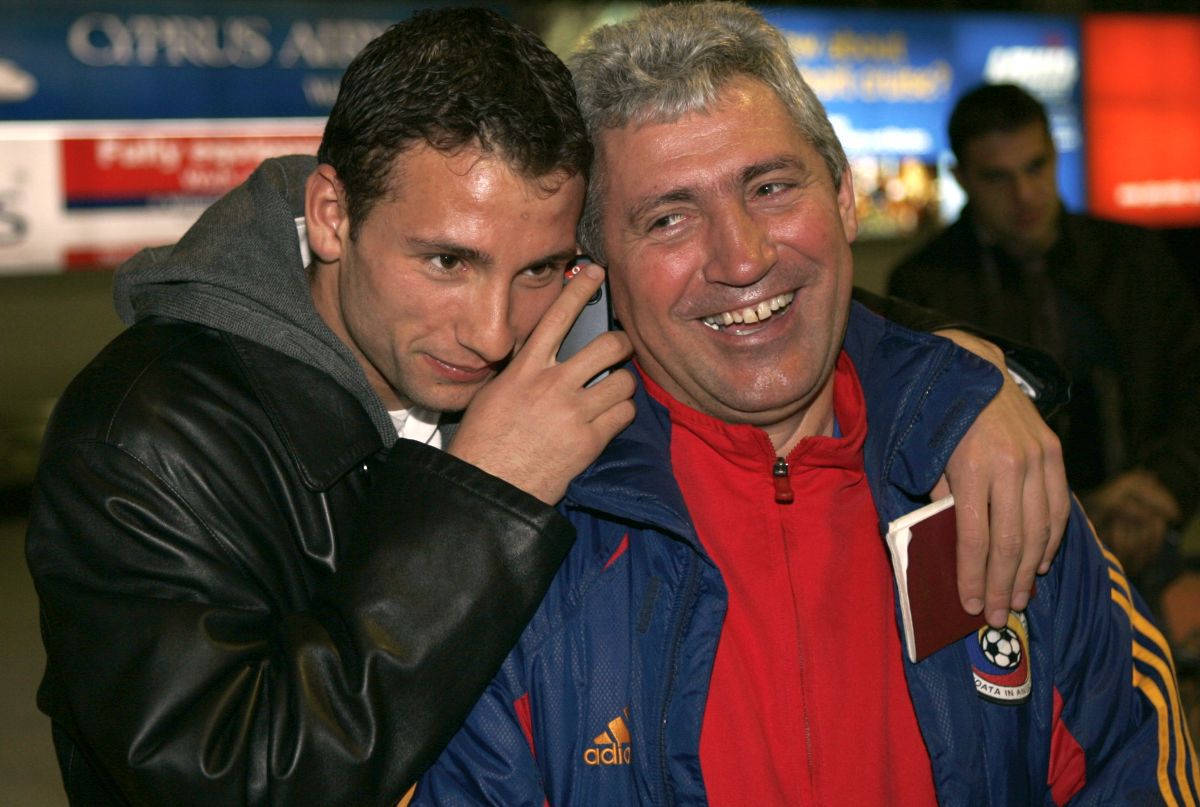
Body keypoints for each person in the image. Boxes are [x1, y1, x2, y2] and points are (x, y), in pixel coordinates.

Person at [26, 8, 1064, 806]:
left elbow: (754, 298)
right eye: (447, 261)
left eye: (537, 269)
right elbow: (233, 779)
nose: (490, 331)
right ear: (332, 215)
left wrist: (959, 382)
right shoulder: (147, 432)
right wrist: (483, 494)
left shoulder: (551, 324)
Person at [411, 4, 1198, 804]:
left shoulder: (999, 477)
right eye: (668, 218)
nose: (742, 258)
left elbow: (1128, 762)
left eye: (771, 187)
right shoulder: (532, 552)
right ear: (597, 267)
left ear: (845, 197)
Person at [888, 82, 1200, 581]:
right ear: (962, 178)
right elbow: (925, 446)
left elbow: (1191, 381)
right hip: (1007, 555)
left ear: (1055, 155)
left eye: (1036, 167)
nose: (1024, 195)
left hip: (1141, 527)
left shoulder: (1134, 260)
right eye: (998, 177)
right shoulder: (926, 286)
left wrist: (1162, 487)